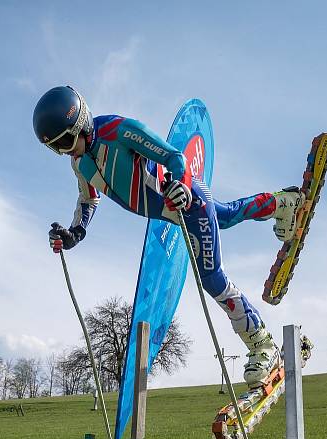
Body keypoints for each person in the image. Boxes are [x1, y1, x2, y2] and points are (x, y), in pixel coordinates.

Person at [33, 85, 305, 389]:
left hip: (188, 201)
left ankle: (261, 343)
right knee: (226, 215)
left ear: (81, 120)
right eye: (57, 148)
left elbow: (174, 157)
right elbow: (88, 200)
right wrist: (75, 233)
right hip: (172, 211)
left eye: (67, 140)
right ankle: (283, 203)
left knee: (212, 277)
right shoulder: (79, 163)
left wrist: (179, 185)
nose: (67, 150)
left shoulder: (117, 129)